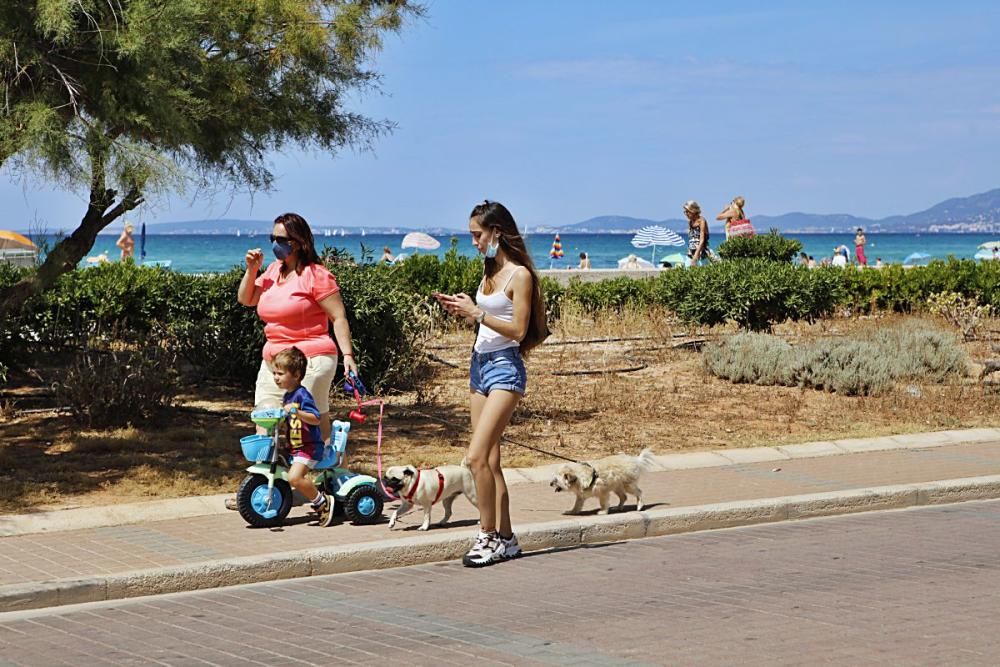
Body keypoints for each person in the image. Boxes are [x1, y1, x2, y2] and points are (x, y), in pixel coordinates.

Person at [434, 200, 548, 568]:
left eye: (477, 234)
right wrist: (466, 309)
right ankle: (508, 539)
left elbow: (516, 330)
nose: (474, 242)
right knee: (492, 462)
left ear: (497, 232)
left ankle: (487, 536)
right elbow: (486, 319)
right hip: (479, 365)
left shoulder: (521, 276)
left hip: (504, 369)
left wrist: (477, 312)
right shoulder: (488, 272)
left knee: (475, 458)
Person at [272, 346, 336, 526]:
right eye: (274, 373)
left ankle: (321, 502)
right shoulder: (288, 396)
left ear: (296, 374)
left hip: (309, 448)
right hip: (296, 447)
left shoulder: (302, 395)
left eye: (280, 373)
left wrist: (296, 412)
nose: (276, 377)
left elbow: (316, 418)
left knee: (294, 478)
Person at [684, 200, 710, 266]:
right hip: (690, 254)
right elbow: (691, 240)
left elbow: (702, 240)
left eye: (687, 211)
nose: (686, 213)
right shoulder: (690, 222)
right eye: (685, 212)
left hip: (701, 254)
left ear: (693, 210)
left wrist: (695, 256)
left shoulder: (701, 221)